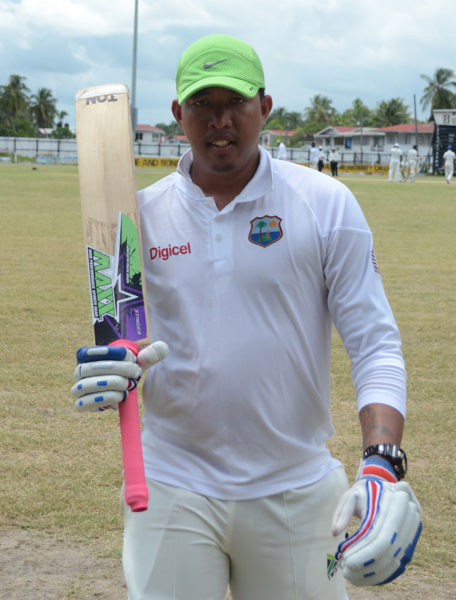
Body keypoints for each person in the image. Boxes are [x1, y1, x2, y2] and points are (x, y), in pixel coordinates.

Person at [71, 34, 421, 600]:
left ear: (265, 107)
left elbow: (375, 343)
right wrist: (109, 368)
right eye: (203, 104)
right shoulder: (138, 218)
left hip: (297, 486)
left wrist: (381, 463)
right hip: (172, 483)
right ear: (178, 114)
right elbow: (121, 337)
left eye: (234, 102)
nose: (220, 120)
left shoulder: (324, 205)